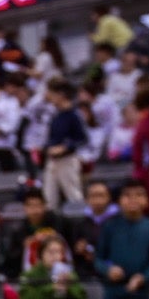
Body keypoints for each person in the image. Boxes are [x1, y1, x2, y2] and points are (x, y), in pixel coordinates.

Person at [42, 80, 87, 208]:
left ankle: (80, 223)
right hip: (52, 160)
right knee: (49, 199)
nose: (49, 96)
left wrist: (65, 147)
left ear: (61, 94)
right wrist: (47, 148)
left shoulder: (74, 115)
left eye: (52, 93)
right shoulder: (56, 116)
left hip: (67, 160)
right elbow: (51, 138)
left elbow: (82, 138)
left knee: (74, 196)